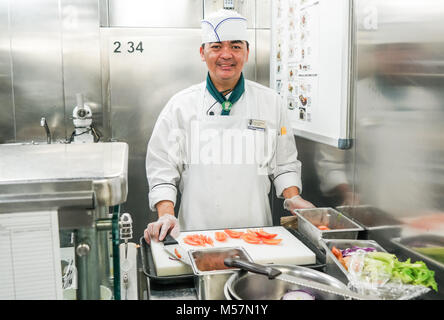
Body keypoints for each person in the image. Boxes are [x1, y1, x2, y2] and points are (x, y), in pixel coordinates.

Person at [144, 9, 314, 244]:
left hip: (257, 234)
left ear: (247, 52)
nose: (226, 55)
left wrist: (293, 198)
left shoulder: (270, 102)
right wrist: (165, 214)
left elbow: (284, 164)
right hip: (197, 234)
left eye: (235, 46)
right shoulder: (180, 106)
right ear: (202, 53)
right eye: (216, 47)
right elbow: (162, 170)